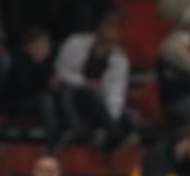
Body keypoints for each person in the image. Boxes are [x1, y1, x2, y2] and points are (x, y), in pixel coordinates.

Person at [56, 9, 134, 147]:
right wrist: (84, 83)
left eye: (115, 27)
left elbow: (115, 94)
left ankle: (108, 135)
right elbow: (62, 72)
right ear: (99, 26)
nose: (110, 31)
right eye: (108, 25)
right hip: (72, 94)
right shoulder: (76, 43)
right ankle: (81, 136)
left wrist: (110, 119)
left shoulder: (119, 60)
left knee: (130, 117)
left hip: (99, 103)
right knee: (76, 95)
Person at [0, 28, 62, 147]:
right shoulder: (20, 60)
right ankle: (52, 143)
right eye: (42, 43)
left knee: (65, 97)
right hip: (18, 103)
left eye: (46, 44)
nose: (46, 47)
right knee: (45, 100)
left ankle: (77, 135)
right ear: (30, 46)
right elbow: (24, 89)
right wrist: (46, 81)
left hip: (40, 102)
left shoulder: (49, 62)